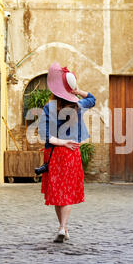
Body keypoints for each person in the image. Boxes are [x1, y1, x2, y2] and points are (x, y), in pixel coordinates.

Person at [38, 62, 95, 243]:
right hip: (72, 153)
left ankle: (62, 227)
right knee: (68, 192)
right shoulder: (79, 104)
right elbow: (92, 98)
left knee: (57, 193)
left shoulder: (49, 108)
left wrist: (62, 142)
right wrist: (77, 91)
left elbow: (45, 136)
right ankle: (63, 227)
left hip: (55, 153)